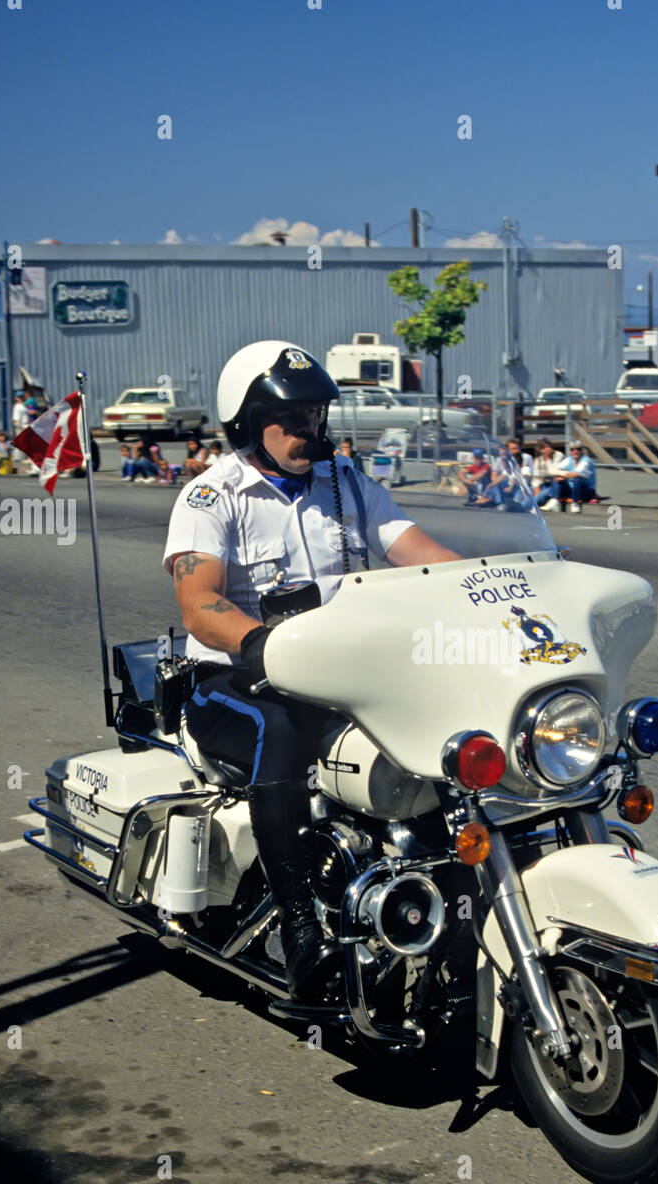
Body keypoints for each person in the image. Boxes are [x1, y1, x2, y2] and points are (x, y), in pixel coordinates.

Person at [162, 340, 459, 1004]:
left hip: (339, 676)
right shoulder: (212, 496)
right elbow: (200, 603)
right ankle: (302, 929)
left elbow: (421, 553)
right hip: (232, 685)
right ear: (247, 422)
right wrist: (265, 646)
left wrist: (484, 589)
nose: (308, 431)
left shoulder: (345, 484)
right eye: (292, 419)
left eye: (315, 417)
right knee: (278, 728)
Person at [540, 443, 596, 513]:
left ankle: (575, 503)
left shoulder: (586, 461)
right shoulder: (569, 459)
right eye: (572, 449)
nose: (575, 451)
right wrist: (561, 475)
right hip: (572, 490)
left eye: (578, 449)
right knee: (557, 478)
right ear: (570, 451)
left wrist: (563, 476)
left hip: (586, 491)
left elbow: (576, 474)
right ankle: (555, 502)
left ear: (581, 450)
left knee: (577, 479)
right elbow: (553, 471)